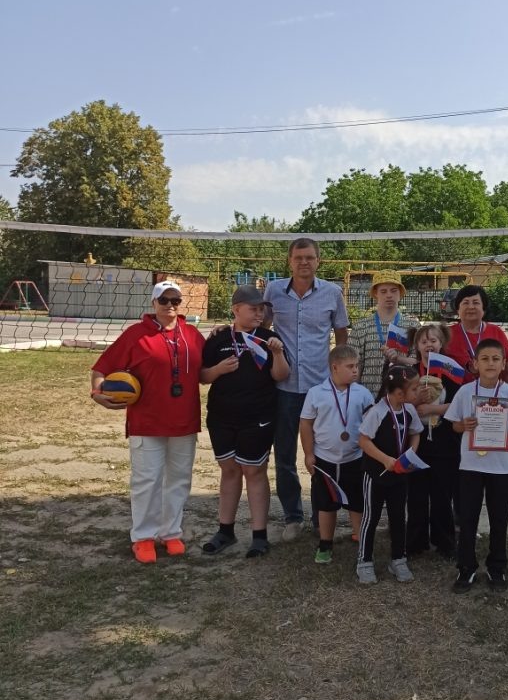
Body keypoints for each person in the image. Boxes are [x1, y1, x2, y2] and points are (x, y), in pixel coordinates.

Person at [90, 280, 206, 564]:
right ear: (153, 303)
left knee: (179, 480)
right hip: (147, 421)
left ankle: (171, 533)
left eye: (175, 300)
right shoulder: (136, 334)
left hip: (184, 421)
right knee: (147, 480)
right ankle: (143, 537)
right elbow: (101, 368)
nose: (170, 305)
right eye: (163, 300)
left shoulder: (192, 335)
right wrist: (97, 392)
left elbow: (204, 372)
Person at [264, 238, 349, 540]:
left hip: (319, 387)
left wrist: (338, 370)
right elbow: (260, 326)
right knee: (284, 454)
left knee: (322, 454)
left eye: (310, 257)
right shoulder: (274, 291)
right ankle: (293, 516)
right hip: (284, 387)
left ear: (318, 261)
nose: (304, 262)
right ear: (289, 261)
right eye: (298, 257)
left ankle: (320, 515)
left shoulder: (332, 292)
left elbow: (341, 332)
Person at [199, 285, 289, 558]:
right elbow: (202, 376)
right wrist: (218, 369)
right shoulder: (218, 338)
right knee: (229, 470)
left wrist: (277, 353)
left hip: (258, 417)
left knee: (254, 471)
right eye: (253, 309)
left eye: (262, 309)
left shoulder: (269, 338)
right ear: (236, 309)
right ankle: (225, 531)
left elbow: (281, 376)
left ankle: (259, 536)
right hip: (221, 416)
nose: (259, 314)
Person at [444, 337, 508, 593]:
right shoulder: (466, 392)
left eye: (496, 359)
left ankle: (496, 567)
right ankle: (466, 568)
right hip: (471, 466)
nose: (490, 363)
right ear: (475, 364)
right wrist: (463, 425)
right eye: (485, 359)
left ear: (504, 364)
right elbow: (454, 425)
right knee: (468, 518)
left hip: (501, 467)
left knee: (499, 519)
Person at [299, 345, 374, 564]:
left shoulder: (363, 393)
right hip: (324, 459)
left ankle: (362, 543)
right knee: (325, 504)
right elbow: (306, 424)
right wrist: (308, 453)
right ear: (334, 367)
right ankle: (325, 544)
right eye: (350, 366)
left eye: (357, 366)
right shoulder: (316, 393)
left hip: (355, 458)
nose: (355, 370)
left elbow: (371, 423)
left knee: (357, 503)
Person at [357, 366, 423, 584]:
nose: (418, 392)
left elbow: (415, 433)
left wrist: (411, 454)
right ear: (400, 393)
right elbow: (363, 441)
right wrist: (385, 459)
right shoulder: (377, 412)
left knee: (398, 517)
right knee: (371, 518)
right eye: (415, 389)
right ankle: (364, 561)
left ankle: (398, 559)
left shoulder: (409, 410)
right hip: (375, 475)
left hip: (399, 476)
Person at [406, 322, 461, 559]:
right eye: (424, 341)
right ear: (417, 346)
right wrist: (417, 401)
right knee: (416, 495)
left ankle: (445, 542)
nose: (429, 345)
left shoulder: (452, 372)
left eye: (434, 340)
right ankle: (415, 542)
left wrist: (433, 408)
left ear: (441, 344)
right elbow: (398, 403)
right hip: (416, 444)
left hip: (445, 443)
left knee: (442, 496)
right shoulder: (410, 373)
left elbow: (460, 404)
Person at [349, 271, 421, 394]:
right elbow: (354, 365)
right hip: (368, 396)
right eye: (383, 291)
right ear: (375, 294)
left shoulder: (413, 327)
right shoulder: (360, 327)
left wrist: (399, 359)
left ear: (400, 293)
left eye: (393, 291)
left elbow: (419, 362)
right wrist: (354, 396)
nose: (389, 295)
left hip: (402, 396)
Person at [443, 284, 508, 384]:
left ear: (484, 309)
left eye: (476, 302)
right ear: (458, 309)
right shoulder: (446, 334)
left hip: (492, 392)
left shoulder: (496, 332)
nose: (471, 307)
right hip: (456, 392)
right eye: (465, 302)